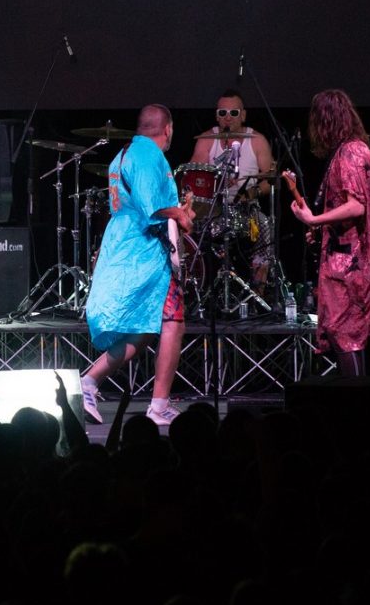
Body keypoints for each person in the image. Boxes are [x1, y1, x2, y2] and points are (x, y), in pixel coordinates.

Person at [78, 105, 197, 426]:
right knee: (173, 322)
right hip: (142, 251)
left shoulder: (124, 154)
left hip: (126, 244)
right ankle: (159, 405)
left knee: (144, 328)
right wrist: (181, 214)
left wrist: (177, 210)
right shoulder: (147, 155)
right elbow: (151, 207)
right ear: (168, 129)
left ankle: (88, 382)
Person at [290, 89, 370, 377]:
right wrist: (323, 228)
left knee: (345, 336)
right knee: (355, 336)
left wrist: (315, 219)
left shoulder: (349, 153)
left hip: (350, 266)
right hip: (359, 259)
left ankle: (355, 398)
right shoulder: (356, 150)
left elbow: (356, 206)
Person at [190, 89, 277, 296]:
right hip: (214, 210)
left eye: (234, 113)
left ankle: (257, 294)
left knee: (265, 225)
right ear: (217, 116)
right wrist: (216, 183)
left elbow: (270, 179)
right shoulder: (206, 139)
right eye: (223, 113)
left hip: (247, 210)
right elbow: (194, 176)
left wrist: (251, 192)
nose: (228, 118)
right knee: (186, 224)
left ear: (243, 115)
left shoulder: (257, 140)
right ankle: (198, 292)